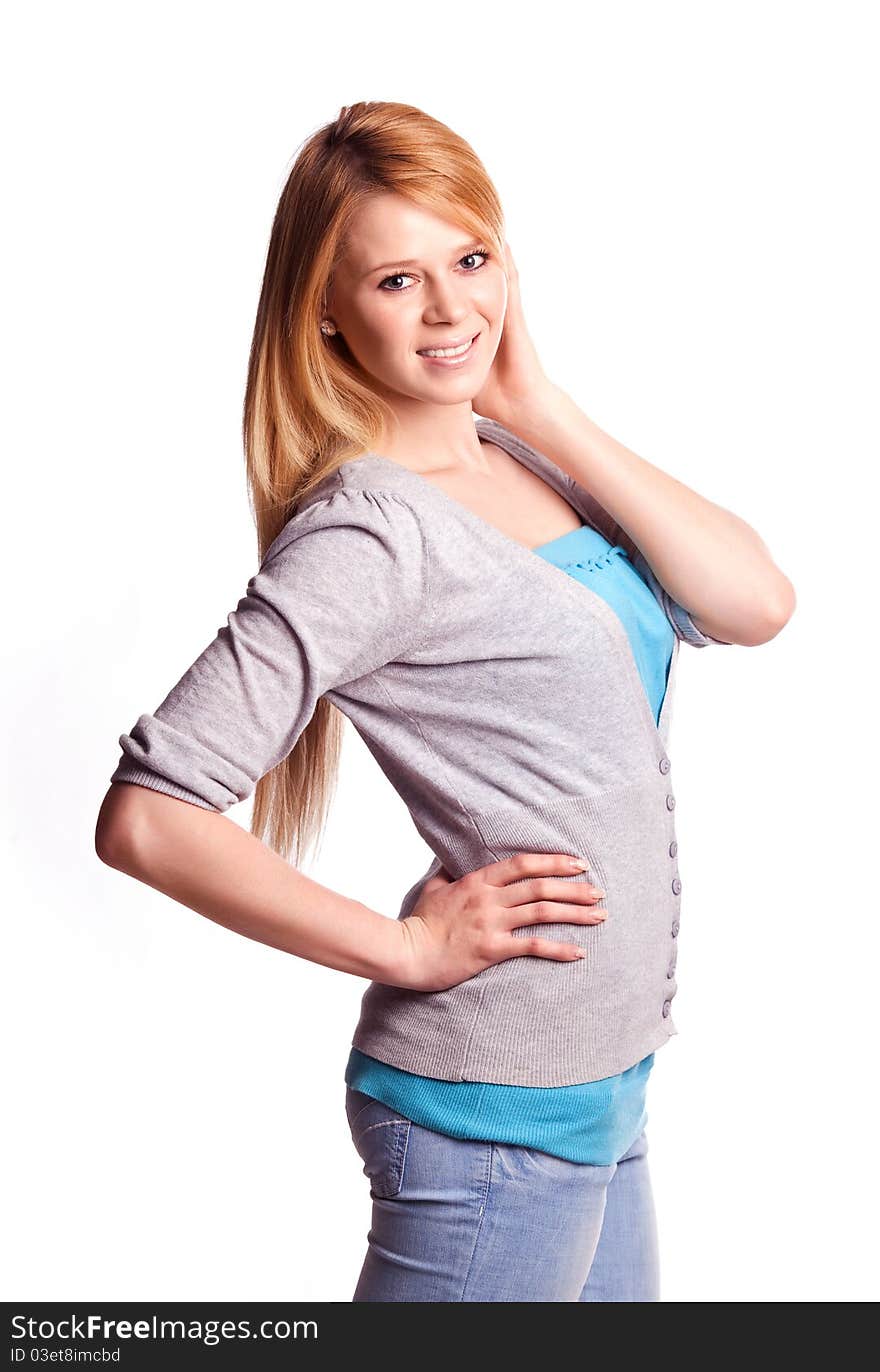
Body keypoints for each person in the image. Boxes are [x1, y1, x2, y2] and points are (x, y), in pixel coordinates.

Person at [95, 100, 796, 1302]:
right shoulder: (369, 530)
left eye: (469, 261)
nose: (447, 309)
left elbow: (756, 603)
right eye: (396, 280)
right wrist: (409, 945)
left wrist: (536, 403)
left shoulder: (523, 459)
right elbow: (150, 815)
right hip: (491, 1120)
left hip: (602, 1081)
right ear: (325, 306)